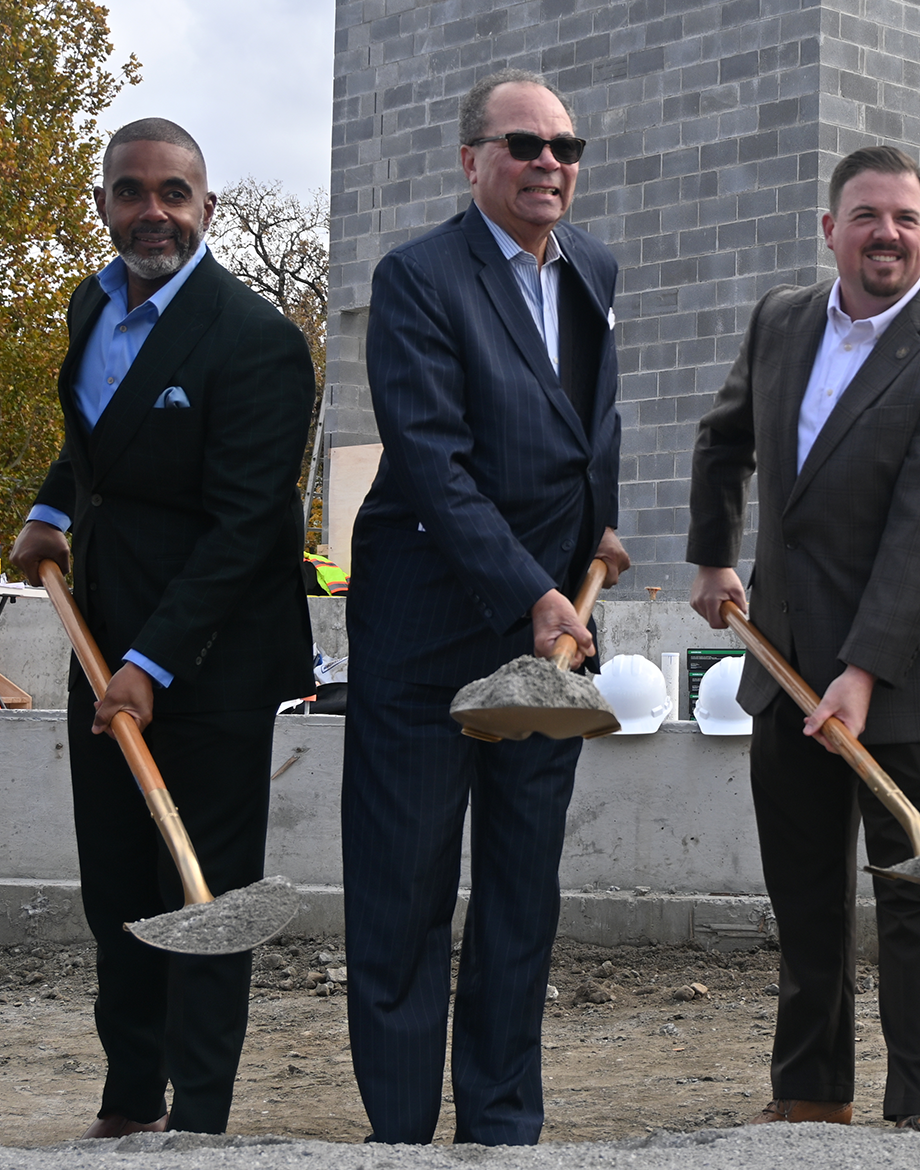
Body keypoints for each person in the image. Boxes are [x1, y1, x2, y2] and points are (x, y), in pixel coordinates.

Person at [687, 145, 920, 1133]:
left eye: (907, 218)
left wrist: (864, 670)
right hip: (782, 658)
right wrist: (712, 557)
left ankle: (916, 1113)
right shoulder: (782, 320)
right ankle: (813, 1094)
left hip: (905, 675)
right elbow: (722, 435)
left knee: (917, 892)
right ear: (831, 229)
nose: (888, 233)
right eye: (868, 215)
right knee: (806, 897)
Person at [8, 118, 317, 1135]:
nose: (154, 211)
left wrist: (151, 663)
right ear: (103, 204)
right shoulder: (88, 305)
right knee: (116, 886)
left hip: (210, 658)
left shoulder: (258, 341)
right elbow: (94, 439)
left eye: (174, 192)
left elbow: (246, 529)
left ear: (207, 208)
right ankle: (130, 1099)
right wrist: (53, 512)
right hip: (102, 635)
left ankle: (199, 1119)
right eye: (132, 191)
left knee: (203, 890)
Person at [341, 69, 629, 1146]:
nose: (548, 162)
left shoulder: (593, 268)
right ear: (473, 162)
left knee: (521, 892)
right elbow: (432, 461)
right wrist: (536, 589)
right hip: (432, 630)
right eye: (523, 144)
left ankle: (504, 1123)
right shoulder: (417, 278)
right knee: (405, 889)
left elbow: (588, 420)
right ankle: (404, 1130)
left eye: (565, 144)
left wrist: (599, 520)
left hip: (549, 645)